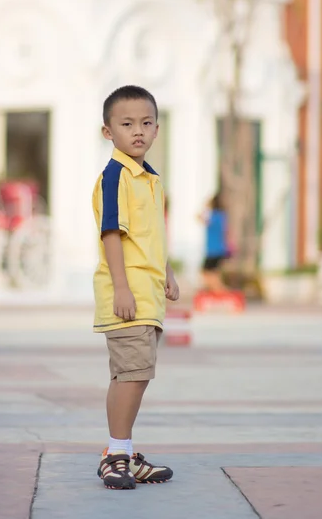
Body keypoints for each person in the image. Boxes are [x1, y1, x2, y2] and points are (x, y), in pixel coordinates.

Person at [92, 85, 180, 490]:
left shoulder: (150, 178)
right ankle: (116, 455)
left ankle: (123, 450)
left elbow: (151, 235)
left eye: (146, 123)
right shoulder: (116, 176)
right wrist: (121, 289)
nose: (138, 131)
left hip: (148, 293)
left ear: (157, 129)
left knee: (133, 375)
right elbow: (113, 234)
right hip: (128, 297)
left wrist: (168, 272)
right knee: (132, 375)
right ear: (109, 131)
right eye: (127, 124)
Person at [200, 192, 230, 292]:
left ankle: (220, 291)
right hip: (221, 248)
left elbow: (199, 217)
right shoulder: (222, 216)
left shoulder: (213, 216)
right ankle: (218, 290)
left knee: (207, 272)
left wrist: (205, 207)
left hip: (213, 249)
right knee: (214, 272)